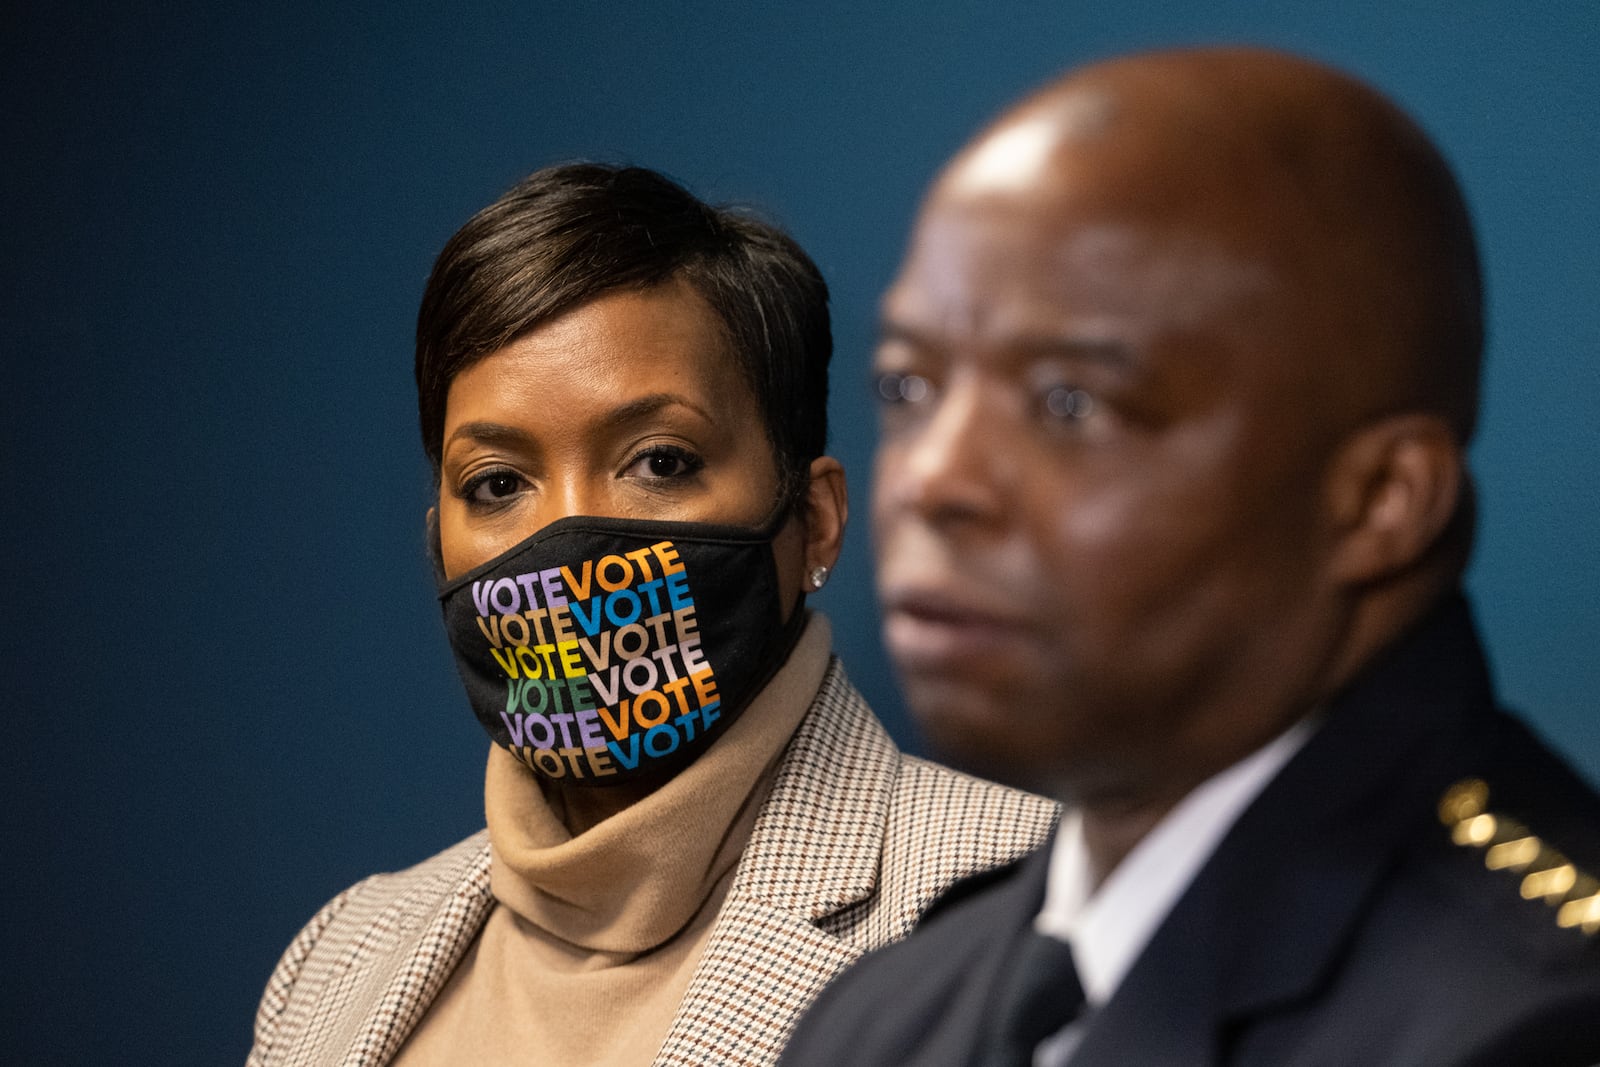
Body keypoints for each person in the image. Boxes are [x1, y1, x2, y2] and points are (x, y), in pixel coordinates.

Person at [781, 46, 1600, 1066]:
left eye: (1069, 402)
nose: (929, 479)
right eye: (909, 388)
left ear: (1379, 500)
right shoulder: (885, 1014)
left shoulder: (1541, 1025)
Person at [246, 163, 1057, 1067]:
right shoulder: (339, 956)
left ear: (814, 520)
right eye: (498, 483)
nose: (566, 539)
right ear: (440, 544)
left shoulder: (1039, 914)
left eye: (660, 461)